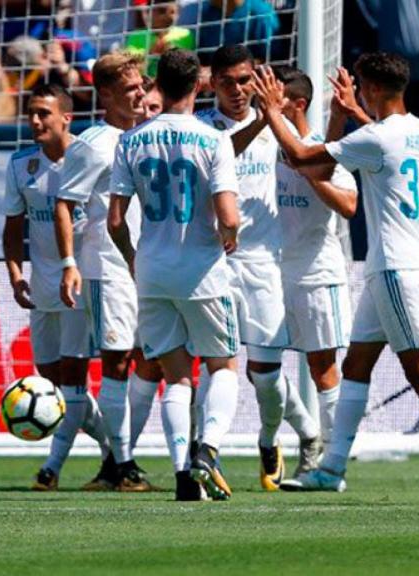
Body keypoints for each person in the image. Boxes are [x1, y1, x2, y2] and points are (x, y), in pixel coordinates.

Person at [250, 52, 419, 493]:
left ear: (375, 89)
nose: (357, 91)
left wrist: (269, 111)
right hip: (395, 264)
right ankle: (332, 468)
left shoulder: (378, 139)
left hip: (395, 267)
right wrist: (354, 113)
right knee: (356, 365)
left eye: (361, 86)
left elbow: (305, 158)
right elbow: (378, 134)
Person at [108, 48, 241, 501]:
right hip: (201, 268)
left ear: (156, 86)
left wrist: (131, 256)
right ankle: (208, 449)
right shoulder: (214, 139)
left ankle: (184, 476)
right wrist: (230, 233)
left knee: (176, 375)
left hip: (152, 269)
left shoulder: (130, 140)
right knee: (223, 364)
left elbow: (114, 220)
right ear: (199, 86)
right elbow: (228, 213)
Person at [196, 45, 321, 491]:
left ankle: (273, 439)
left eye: (245, 80)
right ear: (212, 83)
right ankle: (205, 455)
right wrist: (263, 122)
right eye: (227, 81)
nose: (237, 90)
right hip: (212, 263)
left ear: (256, 79)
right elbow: (220, 155)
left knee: (265, 377)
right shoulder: (202, 128)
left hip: (264, 264)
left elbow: (313, 156)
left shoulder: (276, 124)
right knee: (215, 369)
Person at [54, 52, 163, 492]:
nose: (140, 94)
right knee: (116, 362)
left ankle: (116, 461)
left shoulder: (148, 136)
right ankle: (122, 465)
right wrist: (69, 263)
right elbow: (64, 203)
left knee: (151, 361)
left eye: (141, 86)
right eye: (130, 88)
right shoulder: (93, 143)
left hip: (149, 265)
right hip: (109, 266)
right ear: (105, 95)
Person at [2, 82, 111, 492]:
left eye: (43, 113)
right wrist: (15, 274)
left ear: (67, 117)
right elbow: (13, 227)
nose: (34, 121)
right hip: (41, 288)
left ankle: (51, 468)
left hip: (78, 283)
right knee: (52, 387)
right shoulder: (21, 165)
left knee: (73, 380)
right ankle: (116, 453)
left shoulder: (90, 156)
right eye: (31, 113)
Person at [272, 65, 358, 479]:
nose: (265, 104)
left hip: (315, 272)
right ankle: (307, 433)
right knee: (260, 366)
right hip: (269, 274)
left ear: (297, 103)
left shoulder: (321, 148)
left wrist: (310, 176)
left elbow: (349, 206)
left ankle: (332, 461)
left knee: (322, 368)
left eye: (276, 97)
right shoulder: (261, 145)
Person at [125, 0, 195, 77]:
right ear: (148, 12)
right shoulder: (136, 36)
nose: (167, 15)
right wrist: (152, 53)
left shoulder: (185, 35)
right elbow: (132, 68)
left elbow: (189, 66)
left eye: (173, 11)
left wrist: (171, 54)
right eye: (161, 10)